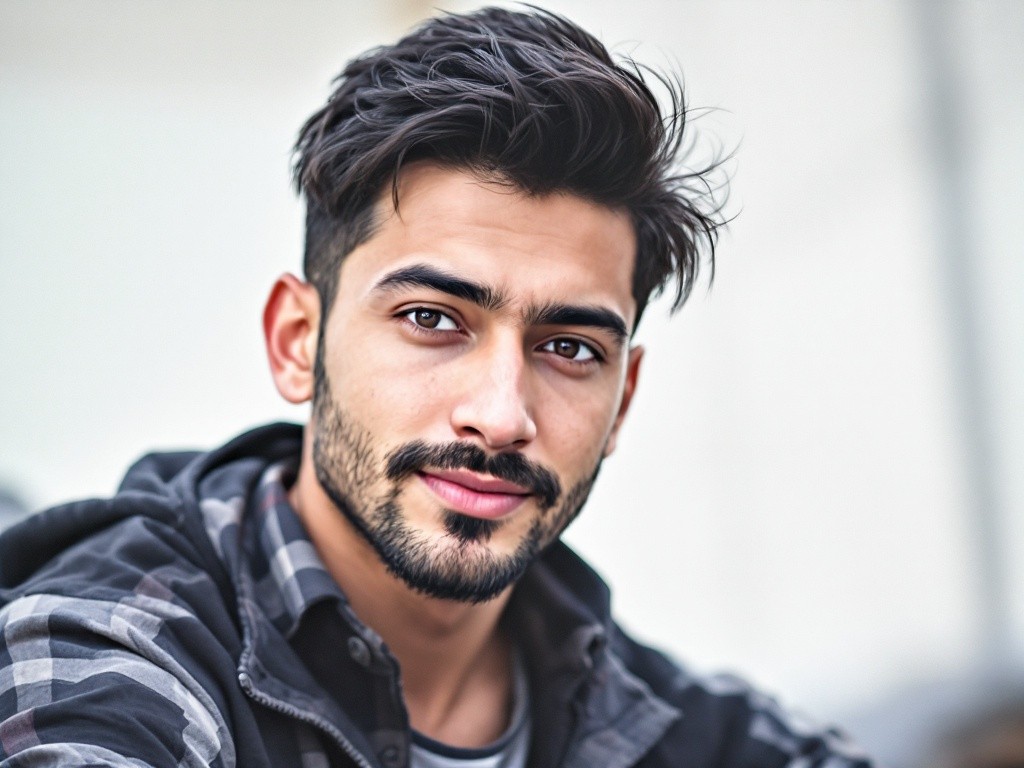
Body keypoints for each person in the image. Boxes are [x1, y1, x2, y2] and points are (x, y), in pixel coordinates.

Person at [0, 7, 874, 767]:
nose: (500, 415)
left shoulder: (667, 724)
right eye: (432, 319)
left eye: (569, 347)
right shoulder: (118, 644)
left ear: (624, 399)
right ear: (298, 341)